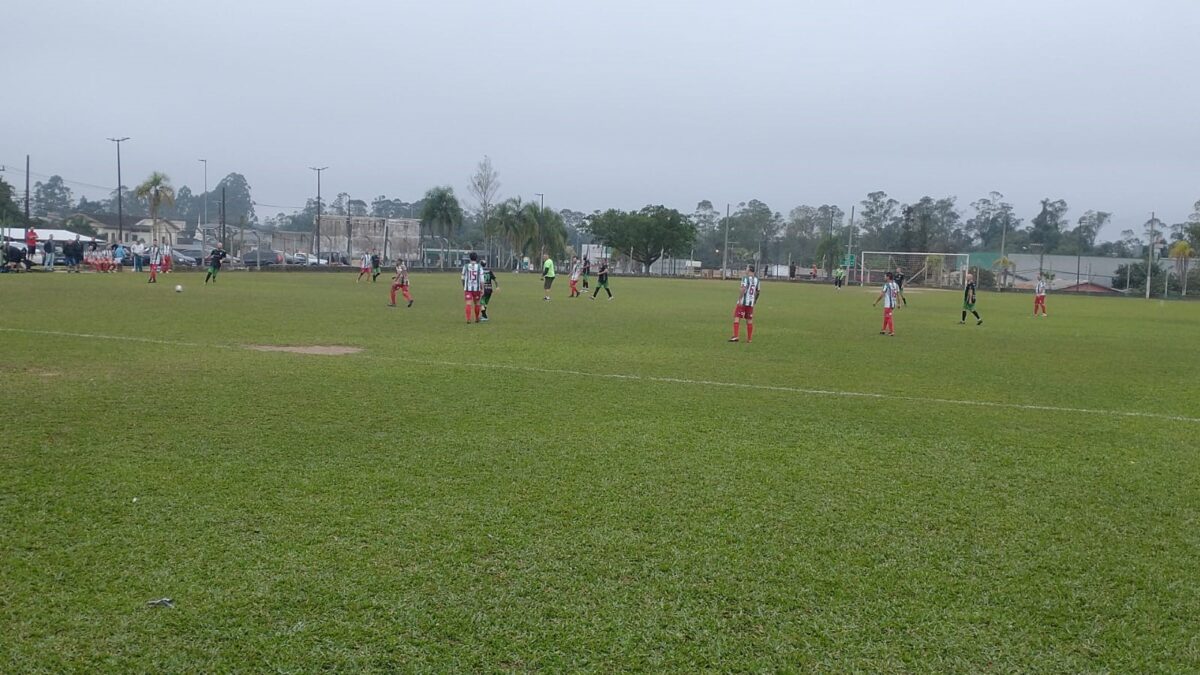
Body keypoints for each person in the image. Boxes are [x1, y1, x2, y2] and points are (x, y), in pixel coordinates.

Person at [729, 264, 760, 343]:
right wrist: (755, 300)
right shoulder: (757, 280)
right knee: (749, 320)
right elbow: (758, 291)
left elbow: (743, 289)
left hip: (743, 302)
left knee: (737, 317)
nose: (745, 270)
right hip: (751, 303)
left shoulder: (745, 278)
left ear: (749, 270)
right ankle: (749, 339)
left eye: (746, 268)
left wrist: (739, 299)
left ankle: (736, 336)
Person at [873, 272, 900, 336]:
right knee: (886, 317)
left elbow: (882, 295)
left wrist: (876, 301)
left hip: (888, 304)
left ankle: (892, 331)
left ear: (888, 277)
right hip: (893, 304)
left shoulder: (886, 285)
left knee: (889, 317)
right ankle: (883, 330)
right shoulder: (896, 285)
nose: (884, 277)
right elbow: (898, 295)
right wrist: (899, 303)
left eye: (885, 276)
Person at [462, 251, 485, 323]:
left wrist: (464, 286)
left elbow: (462, 278)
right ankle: (477, 318)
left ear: (470, 258)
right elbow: (482, 279)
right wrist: (482, 289)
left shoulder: (465, 266)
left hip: (468, 288)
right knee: (477, 303)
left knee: (468, 303)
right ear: (476, 258)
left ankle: (468, 319)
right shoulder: (479, 267)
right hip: (477, 288)